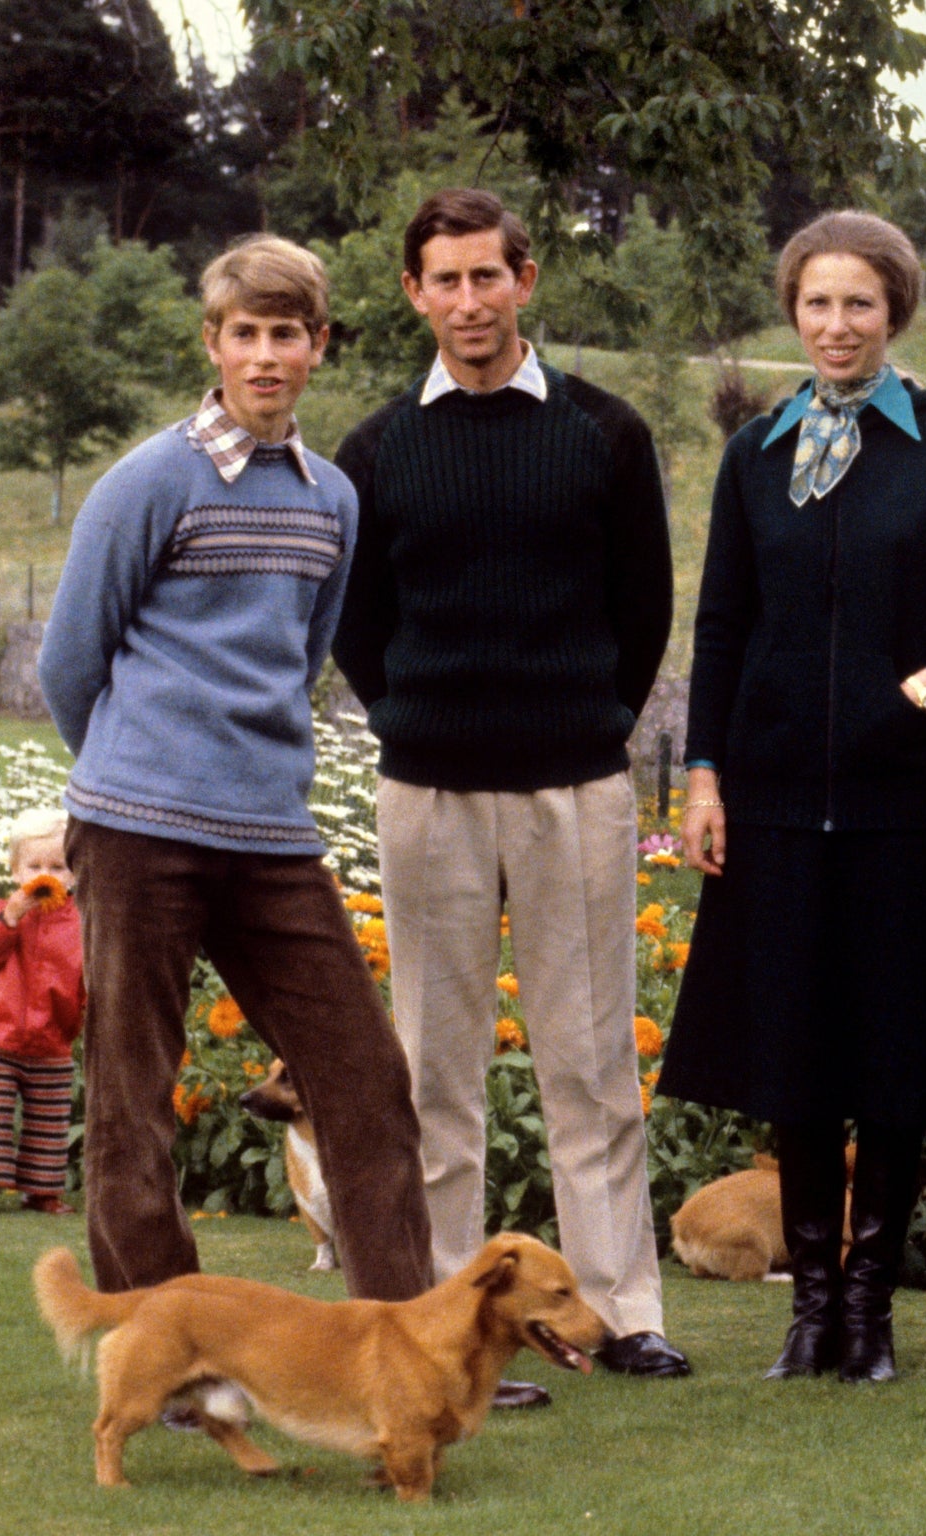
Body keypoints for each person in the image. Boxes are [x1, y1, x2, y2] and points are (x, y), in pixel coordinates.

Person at [659, 210, 926, 1383]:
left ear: (895, 314)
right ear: (794, 313)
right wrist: (704, 773)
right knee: (796, 1057)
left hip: (909, 806)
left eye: (859, 305)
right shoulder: (754, 455)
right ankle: (809, 1307)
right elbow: (721, 626)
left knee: (887, 1061)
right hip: (773, 805)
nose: (837, 325)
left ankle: (869, 1308)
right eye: (817, 304)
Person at [331, 189, 685, 1394]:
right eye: (446, 280)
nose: (469, 302)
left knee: (588, 1062)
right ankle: (449, 1324)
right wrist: (412, 717)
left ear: (526, 281)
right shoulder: (377, 450)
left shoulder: (604, 431)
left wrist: (586, 721)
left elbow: (643, 610)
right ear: (414, 293)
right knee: (435, 1069)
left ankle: (622, 1310)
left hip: (571, 785)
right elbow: (358, 624)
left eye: (490, 277)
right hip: (426, 787)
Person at [39, 234, 432, 1303]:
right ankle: (161, 1350)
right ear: (213, 344)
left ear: (316, 347)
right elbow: (70, 660)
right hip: (138, 830)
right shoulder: (149, 481)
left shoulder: (331, 500)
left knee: (363, 1079)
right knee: (132, 1095)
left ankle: (403, 1337)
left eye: (287, 335)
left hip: (270, 837)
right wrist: (133, 778)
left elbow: (300, 661)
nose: (265, 356)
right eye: (245, 334)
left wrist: (230, 775)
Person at [0, 807, 85, 1216]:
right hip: (0, 1036)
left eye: (57, 866)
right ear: (15, 870)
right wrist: (10, 917)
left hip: (53, 1039)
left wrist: (78, 1018)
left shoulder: (82, 921)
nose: (43, 874)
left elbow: (89, 975)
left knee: (48, 1122)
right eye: (33, 865)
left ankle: (42, 1190)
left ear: (73, 873)